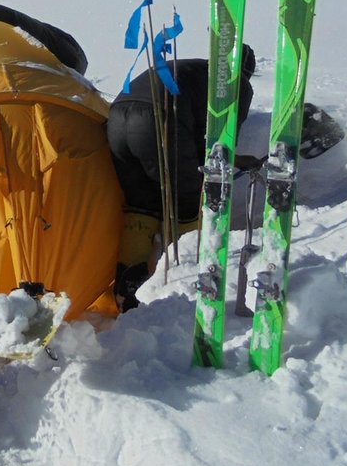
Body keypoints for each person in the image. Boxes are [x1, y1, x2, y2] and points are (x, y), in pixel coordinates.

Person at [106, 47, 256, 309]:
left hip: (117, 118)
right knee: (188, 201)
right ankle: (182, 286)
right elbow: (221, 144)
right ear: (247, 71)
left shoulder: (195, 68)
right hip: (161, 120)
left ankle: (127, 289)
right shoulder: (237, 84)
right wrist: (243, 161)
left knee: (141, 206)